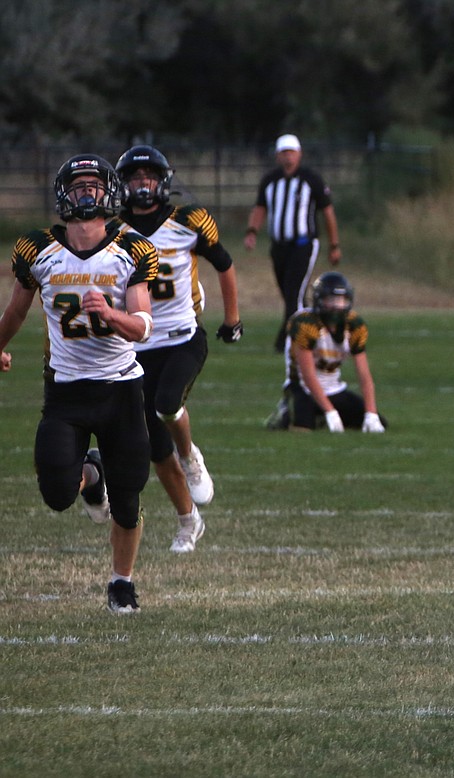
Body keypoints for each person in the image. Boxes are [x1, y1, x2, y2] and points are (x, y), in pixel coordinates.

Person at [0, 154, 158, 613]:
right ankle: (92, 476)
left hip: (120, 389)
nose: (86, 192)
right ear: (62, 194)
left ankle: (121, 582)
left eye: (93, 185)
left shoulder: (133, 248)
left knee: (128, 499)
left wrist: (110, 315)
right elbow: (15, 313)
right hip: (66, 390)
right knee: (55, 493)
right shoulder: (36, 249)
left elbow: (143, 326)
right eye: (78, 185)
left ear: (109, 193)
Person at [113, 145, 243, 553]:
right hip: (135, 346)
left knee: (167, 402)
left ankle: (190, 457)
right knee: (154, 446)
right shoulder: (113, 231)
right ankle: (189, 522)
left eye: (148, 176)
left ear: (163, 181)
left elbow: (224, 263)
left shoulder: (188, 222)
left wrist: (232, 320)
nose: (142, 184)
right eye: (134, 178)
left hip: (183, 338)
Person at [243, 134, 341, 353]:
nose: (288, 157)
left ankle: (289, 341)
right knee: (290, 295)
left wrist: (334, 245)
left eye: (291, 152)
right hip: (279, 246)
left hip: (303, 244)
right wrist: (252, 232)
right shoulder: (270, 180)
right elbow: (260, 208)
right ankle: (322, 329)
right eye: (284, 152)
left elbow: (327, 212)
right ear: (278, 155)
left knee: (293, 295)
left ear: (299, 154)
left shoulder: (311, 179)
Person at [268, 271, 386, 432]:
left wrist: (371, 413)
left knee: (378, 423)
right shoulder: (305, 323)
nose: (337, 306)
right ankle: (286, 411)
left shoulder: (354, 325)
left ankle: (322, 416)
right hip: (303, 389)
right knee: (302, 428)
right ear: (319, 300)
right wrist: (331, 412)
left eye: (341, 300)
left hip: (334, 388)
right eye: (331, 300)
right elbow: (307, 376)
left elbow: (364, 374)